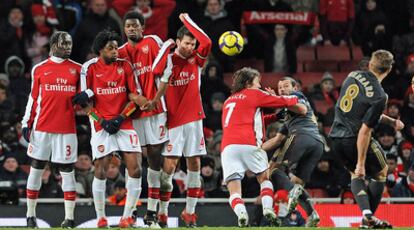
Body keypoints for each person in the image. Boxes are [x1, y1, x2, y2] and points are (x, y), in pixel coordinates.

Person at [73, 30, 145, 228]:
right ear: (99, 50)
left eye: (116, 47)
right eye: (110, 48)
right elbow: (84, 102)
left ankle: (126, 216)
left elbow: (135, 96)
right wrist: (102, 121)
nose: (115, 51)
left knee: (136, 169)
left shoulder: (126, 66)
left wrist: (121, 118)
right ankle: (101, 217)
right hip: (100, 124)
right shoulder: (89, 68)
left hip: (124, 123)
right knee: (101, 169)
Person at [220, 67, 307, 227]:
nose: (259, 86)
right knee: (265, 178)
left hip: (228, 148)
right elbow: (283, 101)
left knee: (234, 189)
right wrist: (298, 99)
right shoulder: (253, 93)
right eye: (257, 82)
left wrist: (274, 117)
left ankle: (241, 214)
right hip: (249, 144)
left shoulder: (229, 100)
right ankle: (267, 209)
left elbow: (249, 120)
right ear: (248, 83)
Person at [329, 50, 404, 228]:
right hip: (354, 138)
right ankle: (368, 220)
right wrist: (362, 162)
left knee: (355, 174)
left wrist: (391, 121)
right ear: (389, 69)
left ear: (370, 64)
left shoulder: (352, 75)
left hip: (335, 138)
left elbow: (359, 110)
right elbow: (364, 130)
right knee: (381, 172)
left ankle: (367, 215)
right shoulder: (380, 96)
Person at [153, 13, 212, 228]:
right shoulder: (169, 59)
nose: (190, 47)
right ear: (178, 42)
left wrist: (187, 21)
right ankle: (163, 213)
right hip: (173, 121)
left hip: (195, 119)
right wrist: (166, 46)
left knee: (195, 164)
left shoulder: (197, 59)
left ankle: (189, 213)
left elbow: (206, 41)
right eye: (186, 43)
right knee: (169, 167)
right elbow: (155, 70)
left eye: (192, 43)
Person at [117, 11, 174, 228]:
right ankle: (129, 212)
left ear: (142, 27)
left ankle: (151, 211)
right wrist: (138, 99)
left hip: (157, 110)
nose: (131, 29)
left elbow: (166, 69)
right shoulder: (120, 52)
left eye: (135, 25)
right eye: (128, 26)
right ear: (125, 29)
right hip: (134, 113)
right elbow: (123, 85)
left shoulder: (153, 41)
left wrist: (156, 98)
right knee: (133, 162)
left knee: (154, 158)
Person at [20, 31, 81, 228]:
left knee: (67, 171)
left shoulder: (78, 70)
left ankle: (70, 219)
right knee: (36, 168)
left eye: (70, 44)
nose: (68, 47)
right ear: (54, 44)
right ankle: (30, 216)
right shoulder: (39, 69)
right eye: (64, 44)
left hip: (66, 129)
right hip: (42, 127)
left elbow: (84, 100)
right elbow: (33, 98)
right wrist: (26, 123)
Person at [261, 76, 323, 227]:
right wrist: (256, 149)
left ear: (295, 88)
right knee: (296, 182)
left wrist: (276, 97)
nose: (282, 89)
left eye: (286, 86)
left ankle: (293, 193)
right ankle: (312, 214)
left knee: (273, 170)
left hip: (301, 137)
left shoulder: (297, 96)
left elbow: (302, 109)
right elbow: (277, 140)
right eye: (279, 87)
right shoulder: (288, 114)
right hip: (317, 143)